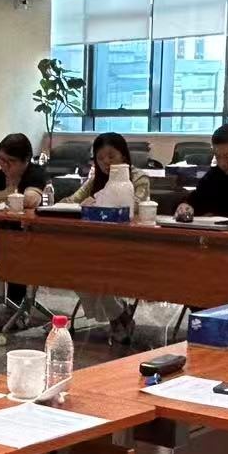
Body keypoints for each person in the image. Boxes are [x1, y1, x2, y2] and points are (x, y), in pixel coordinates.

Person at [73, 133, 151, 343]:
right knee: (76, 268)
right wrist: (81, 204)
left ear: (123, 155)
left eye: (111, 156)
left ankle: (116, 318)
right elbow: (69, 201)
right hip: (95, 244)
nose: (106, 162)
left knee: (97, 269)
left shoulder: (138, 178)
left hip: (130, 245)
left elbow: (135, 207)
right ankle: (120, 314)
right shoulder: (96, 180)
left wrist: (98, 203)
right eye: (100, 158)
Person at [0, 133, 49, 309]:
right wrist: (8, 193)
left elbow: (30, 199)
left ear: (26, 160)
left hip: (29, 237)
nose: (4, 165)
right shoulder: (1, 175)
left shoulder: (35, 173)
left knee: (15, 251)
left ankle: (17, 306)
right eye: (1, 159)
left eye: (11, 161)